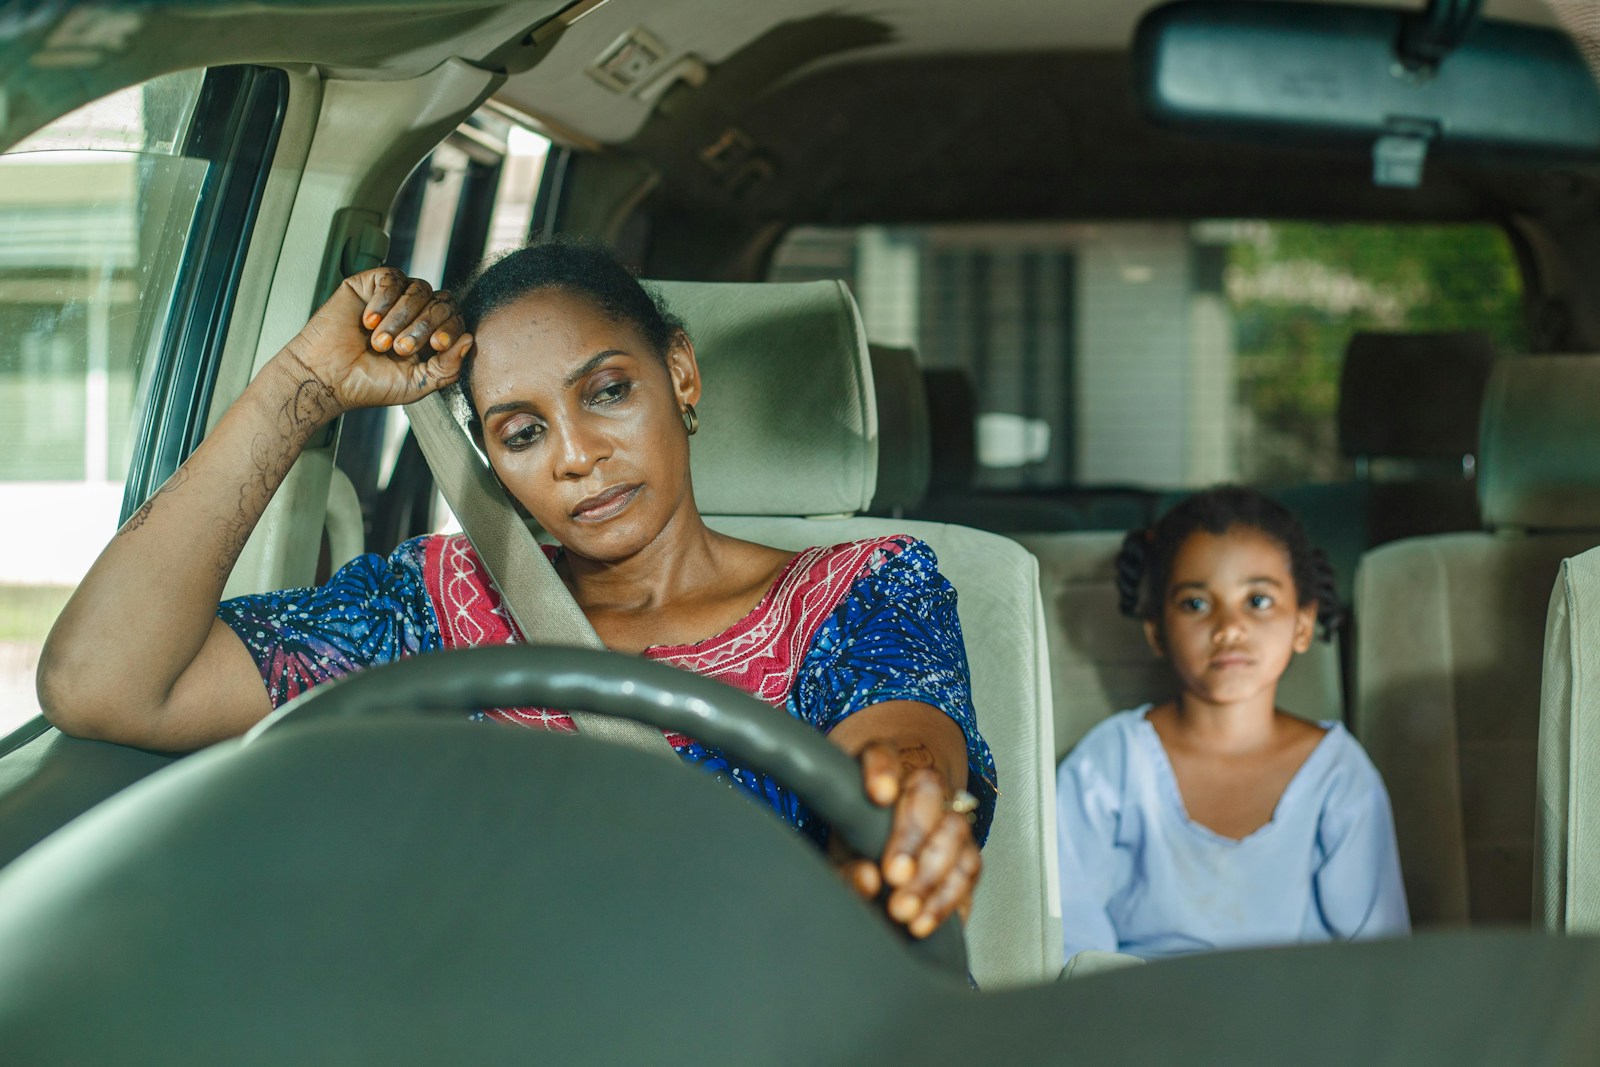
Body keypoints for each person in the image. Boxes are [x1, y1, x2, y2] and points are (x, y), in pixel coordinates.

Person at [38, 238, 996, 941]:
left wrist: (905, 813)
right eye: (523, 431)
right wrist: (304, 380)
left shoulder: (860, 591)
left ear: (682, 374)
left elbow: (900, 748)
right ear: (491, 455)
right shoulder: (430, 605)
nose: (578, 457)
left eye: (608, 390)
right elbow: (104, 681)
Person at [1056, 487, 1408, 962]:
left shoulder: (1339, 775)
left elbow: (1377, 959)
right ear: (1156, 629)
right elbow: (1071, 942)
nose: (1228, 628)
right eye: (1196, 605)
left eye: (1258, 601)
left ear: (1303, 625)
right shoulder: (1108, 767)